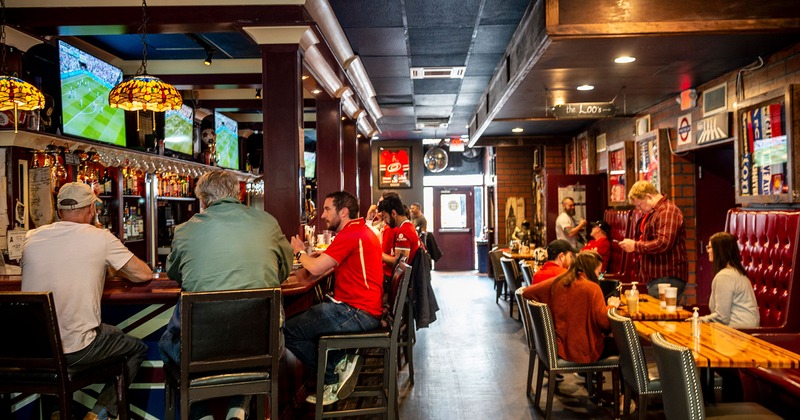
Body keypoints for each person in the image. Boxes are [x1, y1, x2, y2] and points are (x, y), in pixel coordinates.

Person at [159, 170, 293, 420]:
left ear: (203, 200)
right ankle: (238, 408)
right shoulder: (267, 222)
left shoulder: (185, 230)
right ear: (237, 193)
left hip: (200, 352)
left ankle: (201, 414)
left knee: (167, 342)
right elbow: (284, 269)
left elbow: (175, 273)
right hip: (262, 347)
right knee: (250, 344)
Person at [21, 182, 153, 420]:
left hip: (34, 351)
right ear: (91, 209)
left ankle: (57, 413)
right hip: (77, 351)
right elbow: (143, 274)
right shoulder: (100, 237)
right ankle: (98, 414)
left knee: (51, 342)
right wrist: (110, 265)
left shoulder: (32, 237)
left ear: (58, 210)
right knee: (135, 348)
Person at [286, 191, 383, 406]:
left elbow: (316, 269)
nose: (322, 215)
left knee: (288, 331)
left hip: (358, 312)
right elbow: (325, 261)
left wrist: (300, 252)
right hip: (364, 308)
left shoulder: (350, 234)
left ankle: (333, 372)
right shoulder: (358, 230)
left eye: (327, 209)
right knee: (306, 319)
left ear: (344, 212)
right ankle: (339, 364)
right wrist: (313, 258)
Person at [524, 251, 620, 364]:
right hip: (585, 351)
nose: (599, 276)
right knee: (626, 345)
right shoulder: (593, 288)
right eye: (599, 272)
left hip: (560, 347)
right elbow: (605, 323)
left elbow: (527, 292)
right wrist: (612, 306)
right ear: (591, 270)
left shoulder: (558, 282)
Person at [619, 180, 688, 299]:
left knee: (660, 311)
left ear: (648, 196)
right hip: (657, 276)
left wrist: (635, 246)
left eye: (639, 205)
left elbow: (663, 243)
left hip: (666, 276)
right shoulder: (655, 212)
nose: (639, 209)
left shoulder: (667, 211)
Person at [698, 232, 759, 329]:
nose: (708, 251)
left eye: (709, 247)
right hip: (739, 330)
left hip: (738, 332)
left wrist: (698, 320)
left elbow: (722, 318)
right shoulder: (734, 272)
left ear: (719, 250)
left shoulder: (725, 276)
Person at [378, 194, 421, 279]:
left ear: (393, 213)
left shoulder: (404, 231)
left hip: (393, 280)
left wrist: (378, 254)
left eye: (385, 217)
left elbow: (400, 264)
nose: (385, 221)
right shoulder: (408, 226)